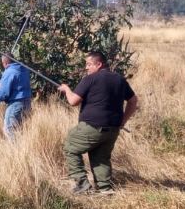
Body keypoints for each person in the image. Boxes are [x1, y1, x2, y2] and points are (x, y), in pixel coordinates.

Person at [57, 51, 138, 195]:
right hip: (113, 129)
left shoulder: (90, 79)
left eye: (89, 64)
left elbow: (73, 101)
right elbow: (133, 101)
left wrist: (66, 89)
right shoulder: (119, 79)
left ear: (99, 64)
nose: (86, 68)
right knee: (101, 158)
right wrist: (123, 121)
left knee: (70, 147)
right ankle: (105, 189)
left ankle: (82, 185)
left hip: (92, 126)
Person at [0, 53, 32, 139]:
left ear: (5, 63)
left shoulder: (9, 72)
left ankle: (14, 147)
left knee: (9, 129)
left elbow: (4, 91)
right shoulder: (24, 70)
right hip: (27, 103)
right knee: (21, 129)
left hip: (16, 104)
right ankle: (23, 146)